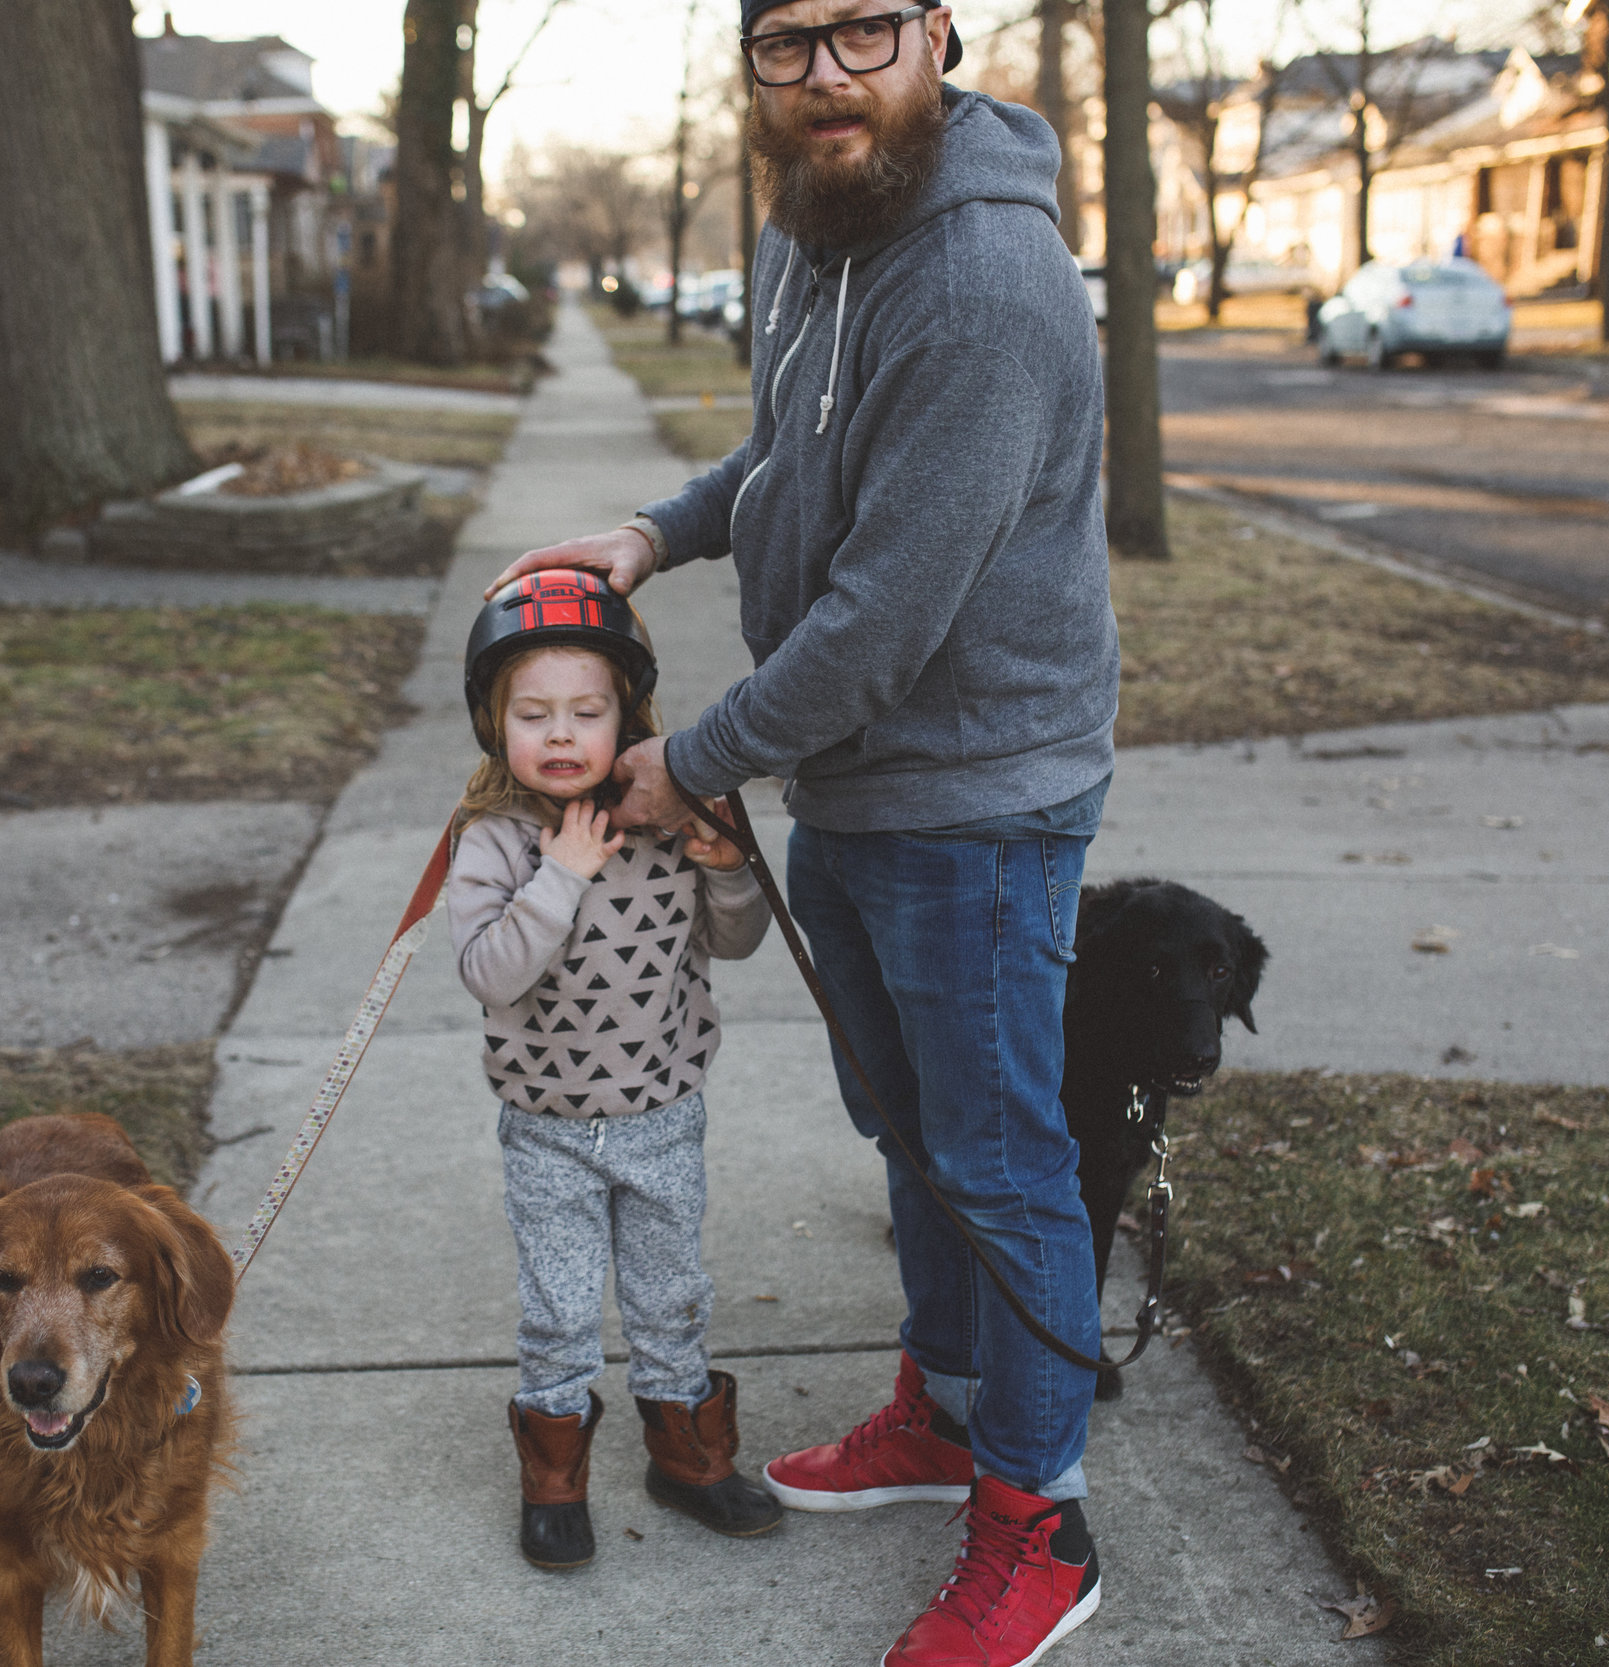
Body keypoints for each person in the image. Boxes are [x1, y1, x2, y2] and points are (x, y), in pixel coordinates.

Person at [481, 1, 1119, 1661]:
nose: (826, 71)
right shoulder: (821, 227)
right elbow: (789, 458)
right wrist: (654, 529)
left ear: (940, 35)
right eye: (788, 40)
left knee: (999, 1155)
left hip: (977, 789)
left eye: (864, 31)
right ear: (752, 64)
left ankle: (1038, 1518)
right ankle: (950, 1407)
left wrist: (689, 759)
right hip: (854, 774)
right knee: (908, 1125)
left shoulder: (982, 283)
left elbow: (885, 618)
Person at [449, 568, 782, 1571]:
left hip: (662, 1112)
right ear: (492, 721)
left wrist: (724, 861)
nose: (559, 734)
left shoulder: (661, 814)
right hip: (548, 1124)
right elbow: (490, 971)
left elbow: (735, 940)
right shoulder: (497, 839)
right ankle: (553, 1476)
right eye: (533, 713)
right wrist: (562, 876)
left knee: (671, 1292)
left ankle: (686, 1454)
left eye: (585, 712)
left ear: (626, 715)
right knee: (557, 1305)